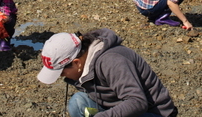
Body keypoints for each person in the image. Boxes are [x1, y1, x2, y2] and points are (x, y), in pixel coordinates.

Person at [37, 28, 177, 117]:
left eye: (61, 72)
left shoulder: (111, 61)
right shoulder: (83, 66)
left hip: (152, 112)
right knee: (78, 103)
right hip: (116, 105)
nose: (61, 77)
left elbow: (137, 102)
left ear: (77, 63)